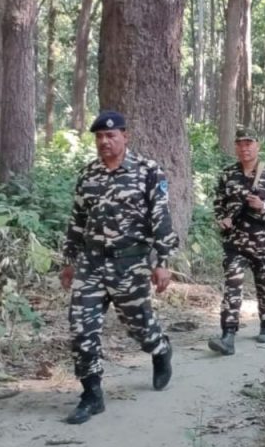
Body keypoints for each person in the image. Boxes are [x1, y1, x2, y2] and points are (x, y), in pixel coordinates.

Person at [60, 110, 178, 425]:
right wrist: (69, 261)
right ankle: (91, 395)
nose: (104, 142)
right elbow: (77, 221)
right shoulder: (88, 176)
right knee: (81, 327)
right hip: (92, 263)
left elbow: (161, 219)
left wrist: (162, 262)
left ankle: (160, 349)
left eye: (111, 136)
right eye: (99, 137)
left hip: (130, 263)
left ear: (125, 136)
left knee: (140, 327)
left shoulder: (148, 172)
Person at [208, 127, 265, 356]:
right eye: (240, 143)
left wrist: (264, 206)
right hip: (235, 243)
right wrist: (221, 220)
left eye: (249, 143)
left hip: (262, 241)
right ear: (235, 147)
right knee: (232, 286)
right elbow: (218, 203)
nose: (245, 148)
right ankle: (228, 334)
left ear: (257, 146)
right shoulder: (227, 175)